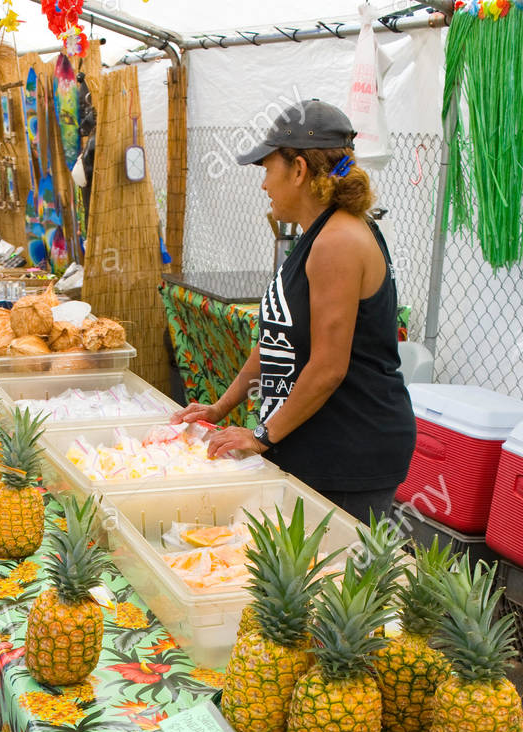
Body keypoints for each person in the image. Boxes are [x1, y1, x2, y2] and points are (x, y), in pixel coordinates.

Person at [174, 100, 415, 523]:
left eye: (268, 169)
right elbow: (275, 340)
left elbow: (327, 368)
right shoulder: (316, 235)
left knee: (331, 581)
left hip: (349, 454)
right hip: (318, 444)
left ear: (299, 169)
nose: (264, 185)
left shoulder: (337, 242)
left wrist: (262, 436)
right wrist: (220, 408)